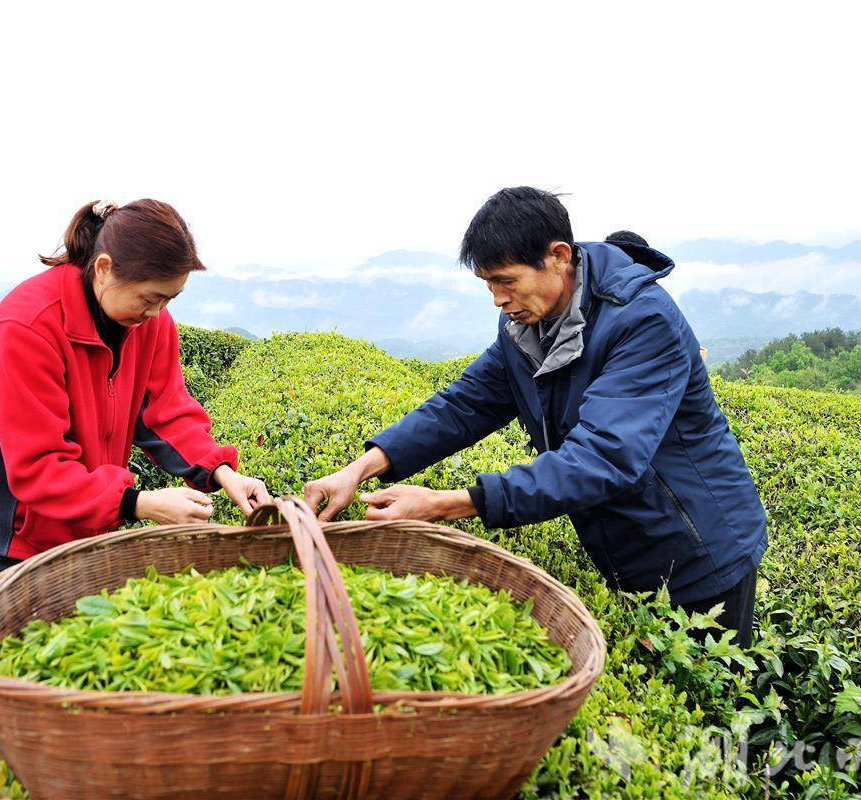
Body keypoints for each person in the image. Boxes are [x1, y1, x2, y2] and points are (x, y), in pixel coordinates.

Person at [304, 187, 767, 645]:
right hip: (623, 545)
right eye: (488, 284)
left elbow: (603, 457)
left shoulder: (643, 321)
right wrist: (358, 470)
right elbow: (465, 404)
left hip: (700, 549)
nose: (497, 299)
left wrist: (445, 504)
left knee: (712, 682)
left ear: (559, 256)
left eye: (506, 281)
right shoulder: (524, 323)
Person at [0, 199, 270, 580]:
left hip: (79, 505)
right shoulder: (26, 328)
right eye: (149, 298)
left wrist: (222, 471)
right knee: (43, 614)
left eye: (168, 299)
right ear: (104, 268)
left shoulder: (150, 323)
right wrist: (137, 503)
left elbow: (164, 412)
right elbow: (37, 466)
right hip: (8, 519)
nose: (157, 312)